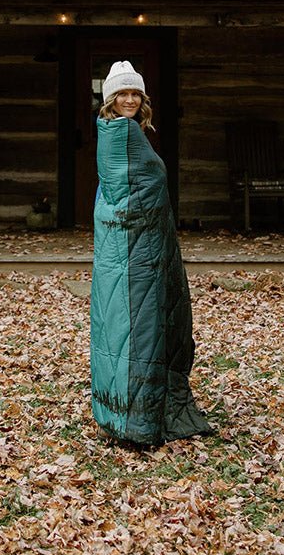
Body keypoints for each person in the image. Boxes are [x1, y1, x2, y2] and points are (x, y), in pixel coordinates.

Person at [90, 61, 213, 446]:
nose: (129, 99)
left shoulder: (128, 132)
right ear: (110, 99)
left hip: (140, 244)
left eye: (135, 94)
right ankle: (134, 419)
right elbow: (129, 190)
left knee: (129, 325)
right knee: (135, 327)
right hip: (131, 247)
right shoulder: (119, 135)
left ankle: (127, 410)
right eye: (121, 94)